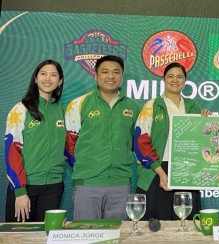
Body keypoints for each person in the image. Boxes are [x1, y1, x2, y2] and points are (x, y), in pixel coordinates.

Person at [65, 55, 139, 220]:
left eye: (116, 72)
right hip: (87, 185)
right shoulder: (79, 104)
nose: (111, 76)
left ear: (122, 75)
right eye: (105, 72)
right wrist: (88, 170)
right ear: (96, 75)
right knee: (85, 236)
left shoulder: (132, 106)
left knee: (118, 237)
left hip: (121, 185)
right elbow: (69, 144)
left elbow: (135, 144)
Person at [133, 62, 211, 220]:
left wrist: (206, 120)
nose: (175, 80)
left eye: (179, 77)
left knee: (186, 224)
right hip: (156, 171)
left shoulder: (193, 106)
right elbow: (140, 143)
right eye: (170, 76)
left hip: (186, 170)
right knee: (154, 227)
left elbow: (202, 140)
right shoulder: (152, 106)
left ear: (185, 81)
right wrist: (161, 172)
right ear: (164, 79)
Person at [4, 59, 65, 222]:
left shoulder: (61, 111)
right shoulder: (20, 110)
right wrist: (20, 191)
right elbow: (12, 152)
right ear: (36, 79)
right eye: (43, 74)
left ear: (59, 81)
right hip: (26, 188)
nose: (48, 79)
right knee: (19, 238)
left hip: (54, 187)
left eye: (53, 75)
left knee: (46, 238)